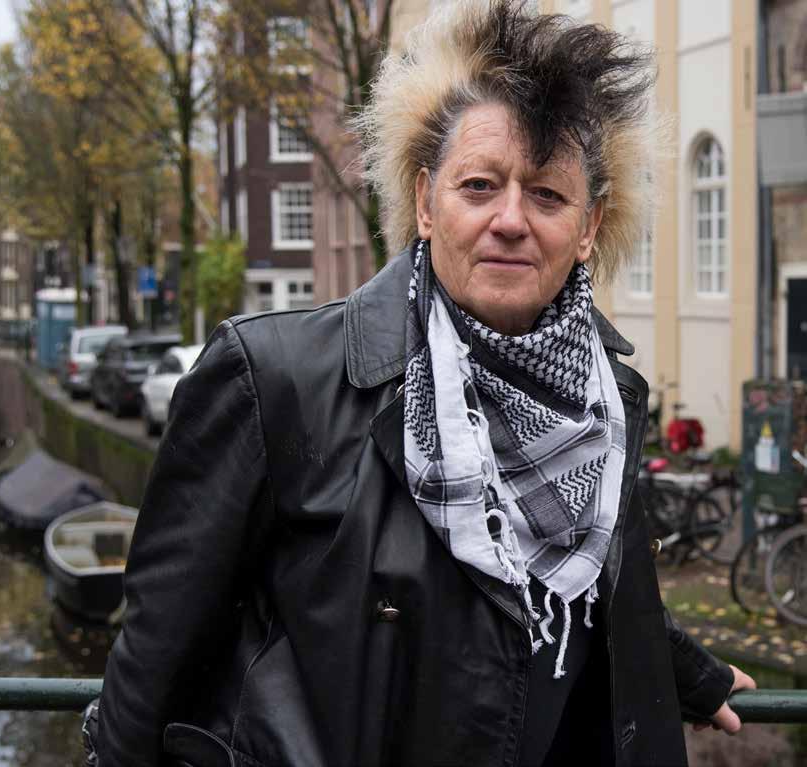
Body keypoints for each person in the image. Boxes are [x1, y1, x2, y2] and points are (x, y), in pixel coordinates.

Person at [91, 2, 755, 765]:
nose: (511, 218)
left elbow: (585, 580)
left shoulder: (606, 400)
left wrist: (681, 666)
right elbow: (152, 659)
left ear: (589, 227)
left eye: (547, 194)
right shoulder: (273, 379)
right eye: (479, 185)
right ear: (424, 202)